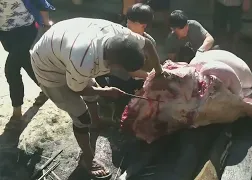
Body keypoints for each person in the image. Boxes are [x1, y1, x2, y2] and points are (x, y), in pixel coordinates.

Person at [30, 17, 163, 178]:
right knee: (80, 115)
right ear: (113, 64)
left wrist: (160, 72)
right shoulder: (83, 61)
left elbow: (147, 44)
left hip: (66, 47)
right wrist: (106, 91)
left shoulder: (122, 36)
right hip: (49, 67)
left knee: (91, 89)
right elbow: (77, 90)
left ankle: (96, 122)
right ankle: (87, 159)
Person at [95, 3, 156, 112]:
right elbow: (127, 70)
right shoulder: (120, 39)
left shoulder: (149, 43)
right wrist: (149, 76)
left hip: (137, 78)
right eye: (128, 20)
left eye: (132, 22)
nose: (127, 23)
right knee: (120, 98)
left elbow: (150, 65)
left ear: (143, 25)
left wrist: (147, 80)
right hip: (118, 76)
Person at [0, 0, 54, 122]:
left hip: (26, 29)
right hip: (5, 34)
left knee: (11, 70)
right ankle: (46, 87)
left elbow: (41, 3)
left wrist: (47, 26)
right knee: (23, 59)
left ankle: (17, 112)